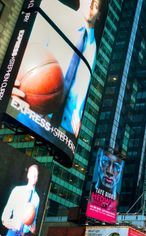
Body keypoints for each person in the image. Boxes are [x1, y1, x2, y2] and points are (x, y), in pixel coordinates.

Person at [11, 0, 104, 137]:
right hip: (29, 113)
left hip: (61, 134)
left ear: (100, 15)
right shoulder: (54, 10)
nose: (89, 5)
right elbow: (23, 51)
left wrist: (77, 123)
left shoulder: (93, 48)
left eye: (95, 4)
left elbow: (81, 94)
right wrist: (12, 80)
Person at [2, 165, 40, 236]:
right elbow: (5, 216)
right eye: (32, 173)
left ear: (37, 178)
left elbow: (34, 222)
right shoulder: (17, 190)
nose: (34, 176)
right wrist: (13, 225)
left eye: (36, 175)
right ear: (28, 175)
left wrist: (33, 229)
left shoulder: (37, 198)